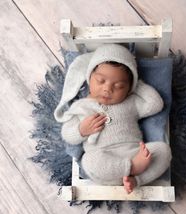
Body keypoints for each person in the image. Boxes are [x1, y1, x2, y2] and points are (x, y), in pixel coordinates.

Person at [55, 44, 172, 193]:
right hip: (106, 160)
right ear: (89, 77)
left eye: (118, 86)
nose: (107, 89)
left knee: (163, 150)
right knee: (89, 161)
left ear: (129, 89)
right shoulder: (81, 107)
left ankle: (135, 180)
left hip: (136, 152)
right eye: (101, 81)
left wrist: (136, 84)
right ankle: (132, 168)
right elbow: (67, 134)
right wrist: (82, 130)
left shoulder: (131, 102)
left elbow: (155, 104)